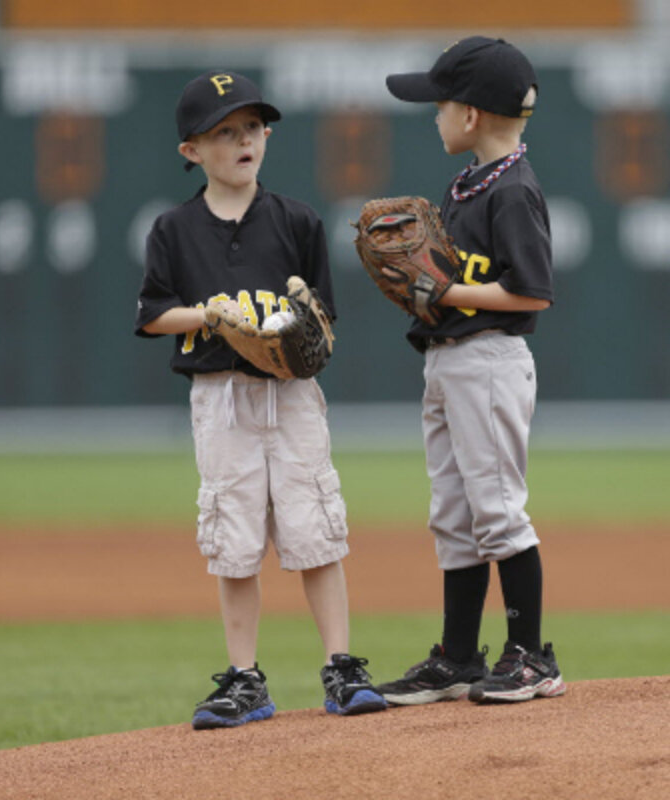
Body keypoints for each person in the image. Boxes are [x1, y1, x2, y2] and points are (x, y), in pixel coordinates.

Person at [133, 70, 387, 725]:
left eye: (252, 127)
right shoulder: (173, 229)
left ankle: (341, 666)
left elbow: (322, 321)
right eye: (225, 132)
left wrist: (300, 333)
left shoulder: (297, 221)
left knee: (315, 530)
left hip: (292, 394)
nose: (244, 140)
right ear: (192, 150)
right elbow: (154, 314)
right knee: (234, 539)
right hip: (220, 398)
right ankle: (245, 679)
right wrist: (212, 318)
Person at [374, 36, 566, 704]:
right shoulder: (468, 183)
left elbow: (533, 291)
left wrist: (447, 292)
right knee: (453, 515)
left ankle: (532, 656)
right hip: (448, 359)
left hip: (488, 360)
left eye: (440, 104)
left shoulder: (512, 190)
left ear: (472, 114)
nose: (435, 115)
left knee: (498, 511)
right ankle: (458, 656)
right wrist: (434, 295)